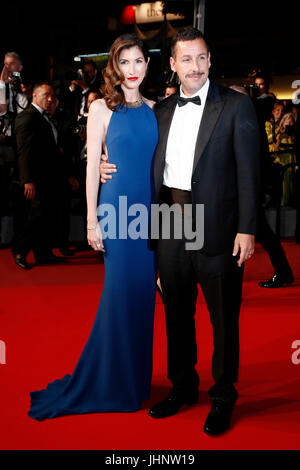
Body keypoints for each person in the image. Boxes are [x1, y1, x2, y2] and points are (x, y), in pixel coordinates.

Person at [101, 27, 260, 436]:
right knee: (177, 313)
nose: (195, 66)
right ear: (172, 65)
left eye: (201, 58)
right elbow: (136, 156)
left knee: (224, 318)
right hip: (171, 221)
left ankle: (223, 395)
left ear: (210, 61)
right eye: (186, 59)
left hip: (219, 226)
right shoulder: (161, 112)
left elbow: (250, 173)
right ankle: (183, 386)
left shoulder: (236, 105)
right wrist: (105, 162)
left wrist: (247, 229)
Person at [28, 34, 158, 420]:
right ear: (114, 68)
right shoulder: (100, 107)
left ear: (147, 66)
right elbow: (91, 169)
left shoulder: (157, 109)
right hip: (115, 213)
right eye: (125, 63)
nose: (132, 70)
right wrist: (91, 220)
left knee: (142, 300)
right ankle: (108, 381)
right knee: (119, 296)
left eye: (138, 62)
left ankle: (134, 379)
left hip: (149, 216)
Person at [12, 83, 67, 269]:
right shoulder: (27, 117)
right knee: (36, 216)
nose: (50, 99)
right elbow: (23, 152)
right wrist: (27, 180)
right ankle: (20, 250)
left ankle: (43, 254)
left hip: (49, 178)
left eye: (52, 95)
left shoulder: (47, 118)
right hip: (35, 179)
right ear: (34, 95)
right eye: (46, 95)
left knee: (47, 216)